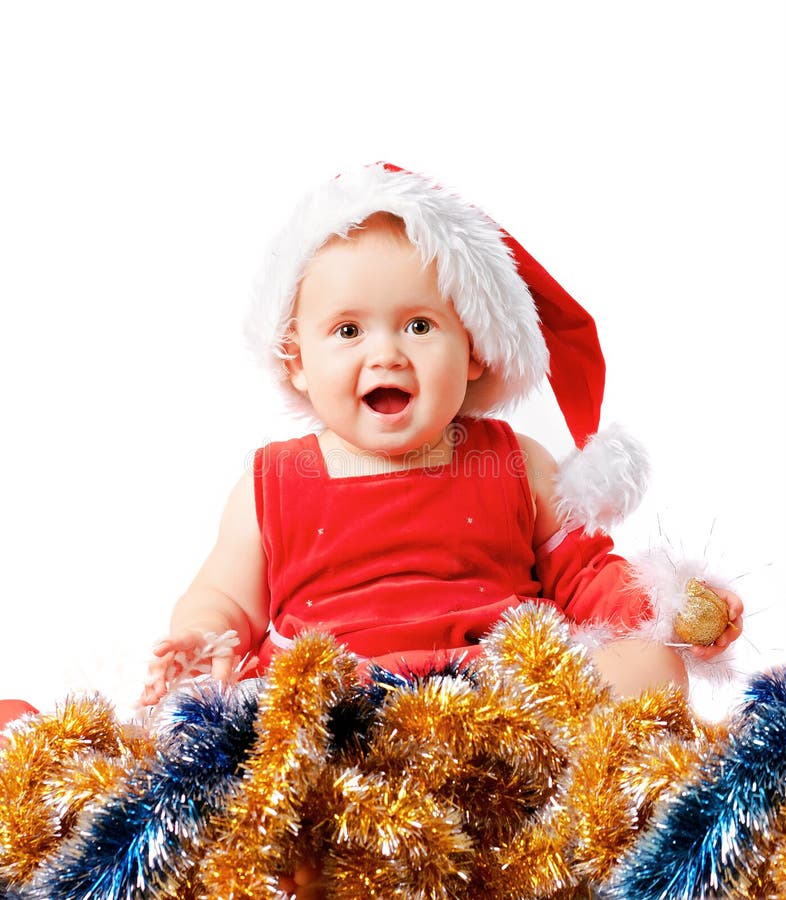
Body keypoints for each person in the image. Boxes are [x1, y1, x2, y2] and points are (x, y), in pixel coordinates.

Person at [137, 163, 742, 897]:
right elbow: (225, 599)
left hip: (501, 708)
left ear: (476, 348)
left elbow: (584, 574)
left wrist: (665, 610)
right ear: (297, 359)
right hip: (348, 715)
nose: (386, 352)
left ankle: (544, 826)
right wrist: (206, 643)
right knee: (240, 746)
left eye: (419, 325)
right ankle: (331, 849)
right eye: (348, 330)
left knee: (651, 667)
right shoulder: (274, 483)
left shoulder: (514, 463)